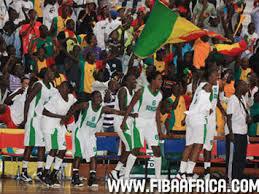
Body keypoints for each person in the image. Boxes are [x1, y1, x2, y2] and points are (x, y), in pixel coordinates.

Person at [61, 90, 136, 188]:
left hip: (90, 135)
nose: (99, 98)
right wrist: (66, 118)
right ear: (91, 99)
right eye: (97, 96)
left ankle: (92, 177)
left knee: (93, 156)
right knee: (78, 155)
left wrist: (130, 114)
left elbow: (116, 112)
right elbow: (74, 108)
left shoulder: (103, 109)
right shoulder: (85, 105)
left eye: (100, 97)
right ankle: (75, 177)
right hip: (79, 133)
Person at [175, 68, 218, 180]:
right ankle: (189, 173)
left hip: (190, 118)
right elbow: (204, 106)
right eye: (215, 75)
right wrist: (209, 110)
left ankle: (181, 173)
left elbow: (195, 101)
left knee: (189, 145)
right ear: (209, 77)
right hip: (199, 119)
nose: (217, 77)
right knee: (198, 147)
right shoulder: (208, 87)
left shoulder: (200, 85)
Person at [121, 70, 163, 179]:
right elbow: (130, 106)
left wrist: (159, 130)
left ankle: (158, 178)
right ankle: (126, 176)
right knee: (136, 150)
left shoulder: (160, 95)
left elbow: (157, 114)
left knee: (157, 151)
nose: (161, 81)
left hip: (151, 123)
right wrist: (124, 121)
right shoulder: (141, 92)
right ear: (153, 81)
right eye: (159, 79)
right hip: (139, 121)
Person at [20, 68, 55, 182]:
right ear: (45, 74)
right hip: (33, 118)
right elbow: (28, 100)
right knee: (29, 145)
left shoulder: (51, 87)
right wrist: (25, 118)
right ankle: (23, 171)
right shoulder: (39, 85)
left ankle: (40, 171)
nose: (53, 74)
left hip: (43, 120)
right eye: (51, 72)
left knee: (41, 145)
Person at [41, 81, 77, 187]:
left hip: (59, 124)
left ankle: (53, 174)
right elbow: (45, 112)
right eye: (61, 86)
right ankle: (45, 173)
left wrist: (67, 116)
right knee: (54, 148)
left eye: (63, 86)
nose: (60, 87)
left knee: (63, 149)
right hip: (49, 124)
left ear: (68, 90)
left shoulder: (70, 97)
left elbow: (74, 107)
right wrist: (61, 117)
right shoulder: (55, 98)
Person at [109, 73, 137, 179]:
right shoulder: (123, 90)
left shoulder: (133, 92)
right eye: (133, 79)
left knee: (131, 148)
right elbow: (122, 108)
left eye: (135, 79)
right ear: (126, 82)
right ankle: (116, 171)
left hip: (128, 122)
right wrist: (133, 113)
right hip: (120, 122)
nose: (135, 81)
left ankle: (121, 171)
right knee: (129, 147)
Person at [225, 80, 250, 182]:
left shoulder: (243, 98)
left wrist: (248, 118)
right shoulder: (232, 99)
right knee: (232, 159)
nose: (246, 86)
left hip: (243, 132)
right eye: (244, 85)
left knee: (241, 158)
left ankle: (238, 178)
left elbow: (243, 114)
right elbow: (229, 117)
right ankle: (230, 180)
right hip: (234, 133)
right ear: (239, 86)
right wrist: (230, 133)